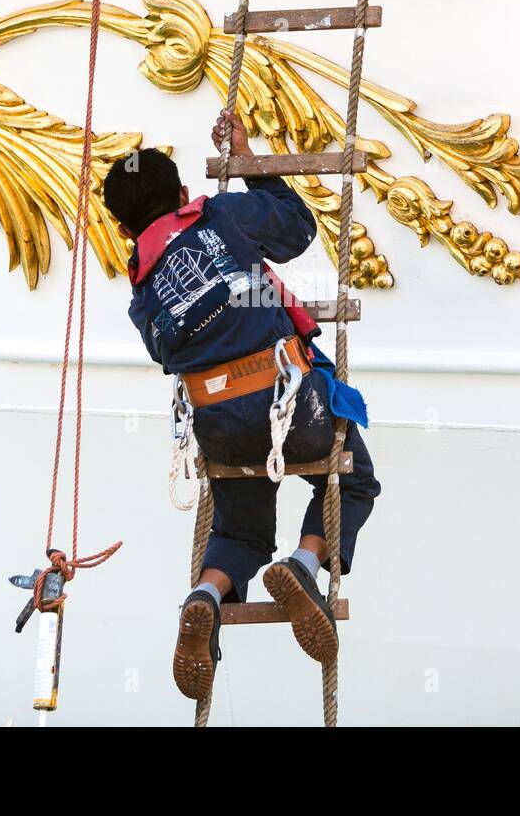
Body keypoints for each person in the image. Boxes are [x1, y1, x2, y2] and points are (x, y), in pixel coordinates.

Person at [102, 111, 381, 701]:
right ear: (182, 195)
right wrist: (251, 163)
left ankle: (204, 594)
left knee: (242, 528)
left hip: (219, 424)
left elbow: (164, 352)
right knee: (353, 482)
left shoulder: (141, 285)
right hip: (292, 407)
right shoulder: (218, 214)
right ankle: (303, 567)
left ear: (125, 231)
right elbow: (297, 230)